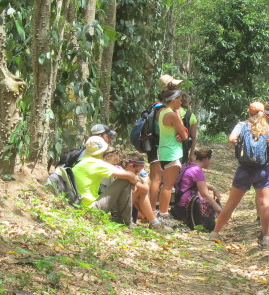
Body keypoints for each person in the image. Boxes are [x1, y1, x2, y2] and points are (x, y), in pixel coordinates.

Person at [210, 102, 269, 247]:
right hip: (262, 170)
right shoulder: (268, 128)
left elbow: (232, 139)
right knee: (264, 204)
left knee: (231, 203)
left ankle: (215, 232)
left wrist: (241, 146)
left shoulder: (242, 125)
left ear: (249, 112)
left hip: (244, 169)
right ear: (264, 113)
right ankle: (266, 237)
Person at [71, 136, 167, 230]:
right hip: (91, 209)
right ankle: (125, 221)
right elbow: (129, 176)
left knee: (131, 183)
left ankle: (152, 222)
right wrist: (135, 182)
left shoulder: (83, 161)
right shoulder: (96, 163)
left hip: (81, 205)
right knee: (125, 179)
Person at [154, 88, 189, 221]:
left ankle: (162, 213)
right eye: (180, 99)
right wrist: (183, 131)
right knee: (168, 186)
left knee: (166, 185)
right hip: (172, 153)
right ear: (174, 100)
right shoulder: (172, 115)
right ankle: (163, 215)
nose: (181, 102)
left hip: (164, 151)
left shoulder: (161, 112)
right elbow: (185, 135)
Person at [170, 148, 222, 231]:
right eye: (210, 160)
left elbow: (201, 183)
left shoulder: (189, 166)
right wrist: (218, 208)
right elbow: (204, 193)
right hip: (185, 208)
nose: (210, 163)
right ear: (206, 159)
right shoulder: (198, 171)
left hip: (177, 204)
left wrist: (213, 188)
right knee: (209, 204)